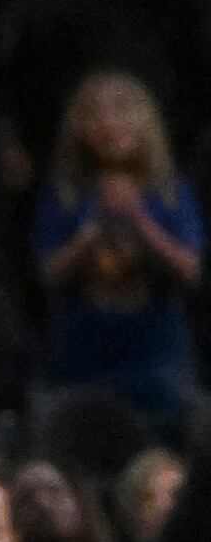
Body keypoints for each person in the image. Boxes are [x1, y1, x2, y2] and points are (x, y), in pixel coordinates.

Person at [32, 73, 204, 412]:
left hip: (155, 340)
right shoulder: (65, 193)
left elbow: (190, 270)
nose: (108, 123)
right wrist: (93, 228)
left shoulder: (171, 192)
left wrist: (139, 219)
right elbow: (49, 273)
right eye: (94, 113)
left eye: (122, 110)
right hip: (84, 338)